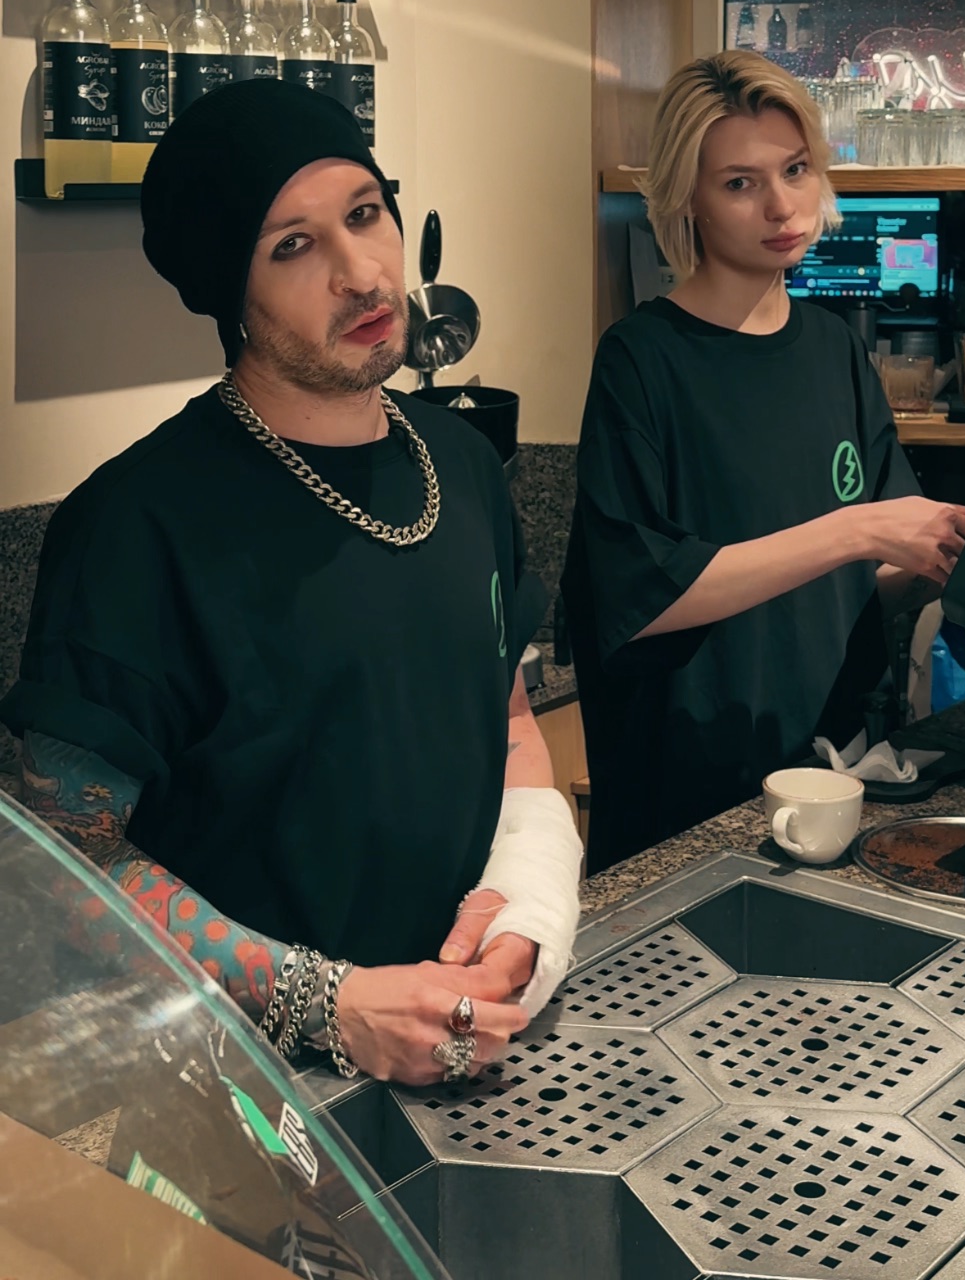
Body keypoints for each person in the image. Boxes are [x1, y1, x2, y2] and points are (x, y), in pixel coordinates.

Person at [2, 80, 581, 1084]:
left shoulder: (462, 463)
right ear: (230, 291)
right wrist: (326, 1002)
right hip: (243, 1086)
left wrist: (526, 907)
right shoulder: (137, 525)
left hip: (469, 1041)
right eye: (293, 246)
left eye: (364, 213)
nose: (361, 274)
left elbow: (510, 722)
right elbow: (64, 856)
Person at [561, 51, 965, 874]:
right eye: (739, 183)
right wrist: (855, 529)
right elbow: (641, 595)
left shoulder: (832, 349)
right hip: (687, 790)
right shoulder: (641, 359)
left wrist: (953, 559)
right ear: (688, 198)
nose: (782, 205)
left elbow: (864, 578)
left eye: (794, 169)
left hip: (829, 774)